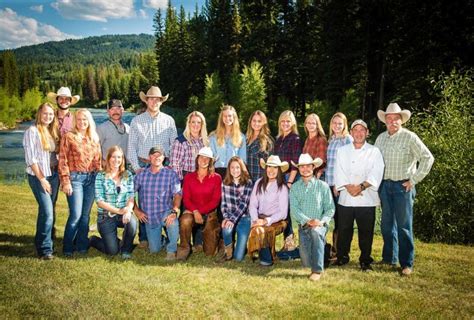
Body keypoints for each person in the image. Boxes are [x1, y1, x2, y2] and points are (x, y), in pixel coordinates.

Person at [375, 103, 434, 276]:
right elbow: (375, 163)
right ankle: (389, 258)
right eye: (389, 118)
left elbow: (428, 158)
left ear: (402, 120)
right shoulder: (381, 139)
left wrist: (413, 180)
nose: (392, 122)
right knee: (386, 225)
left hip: (403, 187)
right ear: (385, 120)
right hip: (385, 186)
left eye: (396, 119)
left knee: (404, 227)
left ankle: (406, 263)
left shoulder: (410, 137)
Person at [127, 86, 177, 247]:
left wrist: (172, 166)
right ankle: (144, 237)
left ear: (161, 102)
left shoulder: (169, 121)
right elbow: (131, 147)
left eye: (157, 99)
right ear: (146, 101)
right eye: (151, 99)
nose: (154, 102)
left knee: (165, 198)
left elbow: (174, 146)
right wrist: (136, 168)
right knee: (144, 200)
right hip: (143, 163)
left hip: (164, 164)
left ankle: (169, 231)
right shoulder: (137, 121)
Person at [334, 120, 384, 271]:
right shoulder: (342, 151)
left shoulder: (374, 151)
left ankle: (365, 260)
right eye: (356, 130)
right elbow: (339, 171)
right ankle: (342, 257)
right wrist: (349, 187)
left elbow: (376, 172)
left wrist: (361, 186)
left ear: (367, 133)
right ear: (351, 132)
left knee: (366, 231)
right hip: (346, 197)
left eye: (362, 130)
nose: (359, 133)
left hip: (366, 197)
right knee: (344, 230)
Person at [59, 108, 101, 257]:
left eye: (85, 119)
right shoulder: (69, 136)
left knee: (85, 215)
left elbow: (98, 163)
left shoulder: (94, 138)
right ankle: (68, 247)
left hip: (91, 179)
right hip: (75, 179)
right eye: (79, 119)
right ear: (75, 121)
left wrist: (100, 181)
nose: (82, 122)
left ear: (89, 121)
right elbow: (63, 160)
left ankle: (82, 246)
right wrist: (66, 181)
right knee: (75, 215)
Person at [23, 103, 60, 260]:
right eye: (45, 113)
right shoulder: (32, 131)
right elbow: (31, 159)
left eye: (51, 114)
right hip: (39, 177)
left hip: (54, 176)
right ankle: (45, 250)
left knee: (46, 212)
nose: (48, 116)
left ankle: (41, 242)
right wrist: (43, 179)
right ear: (39, 114)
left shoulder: (51, 131)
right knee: (48, 212)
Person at [290, 154, 335, 281]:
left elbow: (330, 208)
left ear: (313, 167)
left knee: (315, 233)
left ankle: (317, 270)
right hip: (304, 226)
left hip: (319, 226)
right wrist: (308, 221)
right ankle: (324, 248)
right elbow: (294, 210)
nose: (305, 169)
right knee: (306, 263)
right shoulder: (294, 188)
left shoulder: (323, 186)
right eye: (302, 167)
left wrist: (321, 222)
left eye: (308, 166)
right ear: (298, 169)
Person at [133, 146, 182, 260]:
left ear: (163, 157)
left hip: (166, 213)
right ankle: (163, 240)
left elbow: (177, 194)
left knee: (173, 222)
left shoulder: (171, 174)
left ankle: (171, 250)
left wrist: (174, 210)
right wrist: (136, 210)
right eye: (154, 155)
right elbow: (129, 193)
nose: (156, 157)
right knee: (154, 250)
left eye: (159, 155)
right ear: (149, 157)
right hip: (150, 217)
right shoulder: (141, 175)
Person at [90, 146, 137, 259]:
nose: (116, 160)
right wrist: (120, 211)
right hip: (106, 216)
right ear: (108, 158)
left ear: (122, 159)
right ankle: (93, 240)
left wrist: (128, 210)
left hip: (122, 214)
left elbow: (131, 196)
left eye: (119, 157)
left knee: (132, 222)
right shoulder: (100, 176)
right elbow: (99, 201)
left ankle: (126, 250)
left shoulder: (128, 175)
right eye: (113, 157)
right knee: (112, 251)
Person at [177, 147, 222, 260]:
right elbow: (186, 199)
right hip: (192, 212)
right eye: (202, 157)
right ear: (197, 159)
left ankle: (219, 241)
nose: (204, 160)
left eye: (207, 158)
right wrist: (195, 211)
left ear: (211, 161)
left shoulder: (216, 178)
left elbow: (215, 201)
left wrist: (200, 212)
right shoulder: (188, 177)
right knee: (185, 220)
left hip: (209, 214)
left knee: (210, 252)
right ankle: (184, 248)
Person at [46, 86, 80, 238]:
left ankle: (73, 235)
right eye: (61, 98)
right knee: (49, 203)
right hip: (51, 165)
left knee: (74, 205)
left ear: (70, 101)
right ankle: (49, 233)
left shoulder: (75, 119)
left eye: (67, 99)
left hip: (69, 167)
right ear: (57, 100)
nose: (64, 101)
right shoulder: (49, 117)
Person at [248, 155, 289, 266]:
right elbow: (252, 205)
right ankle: (262, 251)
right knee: (257, 228)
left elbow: (283, 213)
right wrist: (256, 220)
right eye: (269, 167)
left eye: (275, 167)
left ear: (279, 170)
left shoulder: (282, 188)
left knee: (261, 230)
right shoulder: (258, 183)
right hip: (258, 217)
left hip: (275, 220)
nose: (271, 170)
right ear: (265, 168)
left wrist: (266, 221)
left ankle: (266, 259)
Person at [325, 112, 352, 258]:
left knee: (341, 219)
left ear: (344, 125)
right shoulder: (332, 139)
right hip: (328, 184)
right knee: (333, 216)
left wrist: (338, 184)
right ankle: (335, 249)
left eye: (340, 123)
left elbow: (348, 165)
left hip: (339, 186)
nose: (337, 125)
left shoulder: (347, 140)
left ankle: (341, 252)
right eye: (334, 123)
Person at [274, 110, 302, 251]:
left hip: (289, 178)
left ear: (293, 123)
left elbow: (296, 163)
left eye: (288, 121)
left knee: (289, 211)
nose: (285, 123)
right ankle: (287, 242)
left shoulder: (295, 139)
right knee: (282, 210)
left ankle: (290, 242)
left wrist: (289, 182)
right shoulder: (278, 139)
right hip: (279, 178)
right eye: (283, 121)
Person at [218, 156, 253, 262]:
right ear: (229, 169)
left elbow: (244, 204)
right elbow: (223, 203)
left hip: (244, 219)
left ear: (242, 168)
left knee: (238, 258)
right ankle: (228, 252)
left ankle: (241, 248)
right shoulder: (225, 183)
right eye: (232, 168)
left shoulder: (248, 183)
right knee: (226, 230)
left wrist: (232, 220)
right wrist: (226, 218)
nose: (235, 170)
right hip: (229, 217)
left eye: (237, 167)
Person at [170, 111, 208, 181]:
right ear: (189, 124)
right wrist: (180, 183)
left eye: (199, 122)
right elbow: (175, 165)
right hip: (186, 178)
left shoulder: (205, 141)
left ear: (202, 125)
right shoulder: (180, 141)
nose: (196, 124)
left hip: (202, 178)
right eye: (193, 122)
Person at [209, 105, 247, 177]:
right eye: (225, 116)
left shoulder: (241, 137)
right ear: (221, 118)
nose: (227, 118)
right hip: (217, 172)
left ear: (234, 118)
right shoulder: (213, 136)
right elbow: (211, 158)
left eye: (230, 116)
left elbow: (242, 159)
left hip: (234, 173)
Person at [97, 99, 130, 165]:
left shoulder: (128, 128)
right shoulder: (101, 128)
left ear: (122, 110)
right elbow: (95, 150)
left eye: (118, 108)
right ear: (108, 112)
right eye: (112, 109)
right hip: (108, 168)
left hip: (125, 168)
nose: (115, 112)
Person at [246, 110, 274, 182]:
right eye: (254, 120)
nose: (256, 123)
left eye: (259, 121)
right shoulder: (246, 139)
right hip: (246, 180)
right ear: (250, 122)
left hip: (259, 180)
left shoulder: (267, 141)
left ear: (263, 123)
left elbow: (270, 165)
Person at [303, 113, 327, 180]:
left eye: (313, 123)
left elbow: (321, 161)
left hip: (317, 176)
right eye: (309, 123)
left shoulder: (321, 139)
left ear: (317, 125)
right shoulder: (307, 139)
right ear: (305, 125)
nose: (311, 125)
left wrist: (316, 179)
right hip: (307, 174)